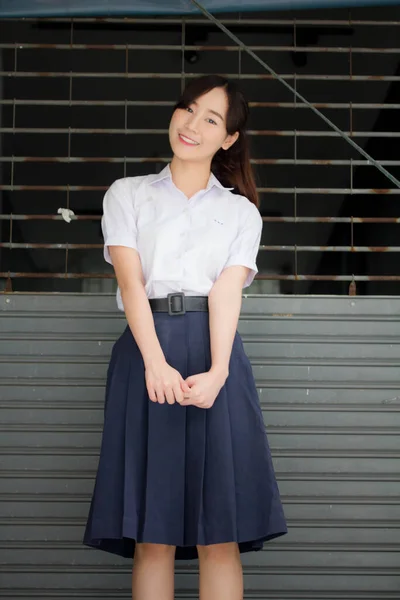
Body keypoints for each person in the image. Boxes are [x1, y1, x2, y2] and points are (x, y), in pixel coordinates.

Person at [83, 74, 287, 600]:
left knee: (221, 534)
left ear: (229, 139)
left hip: (215, 355)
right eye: (188, 109)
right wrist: (153, 360)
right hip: (145, 349)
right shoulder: (127, 194)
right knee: (156, 533)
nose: (192, 124)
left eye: (211, 119)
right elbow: (130, 282)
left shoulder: (241, 212)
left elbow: (226, 293)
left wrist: (219, 371)